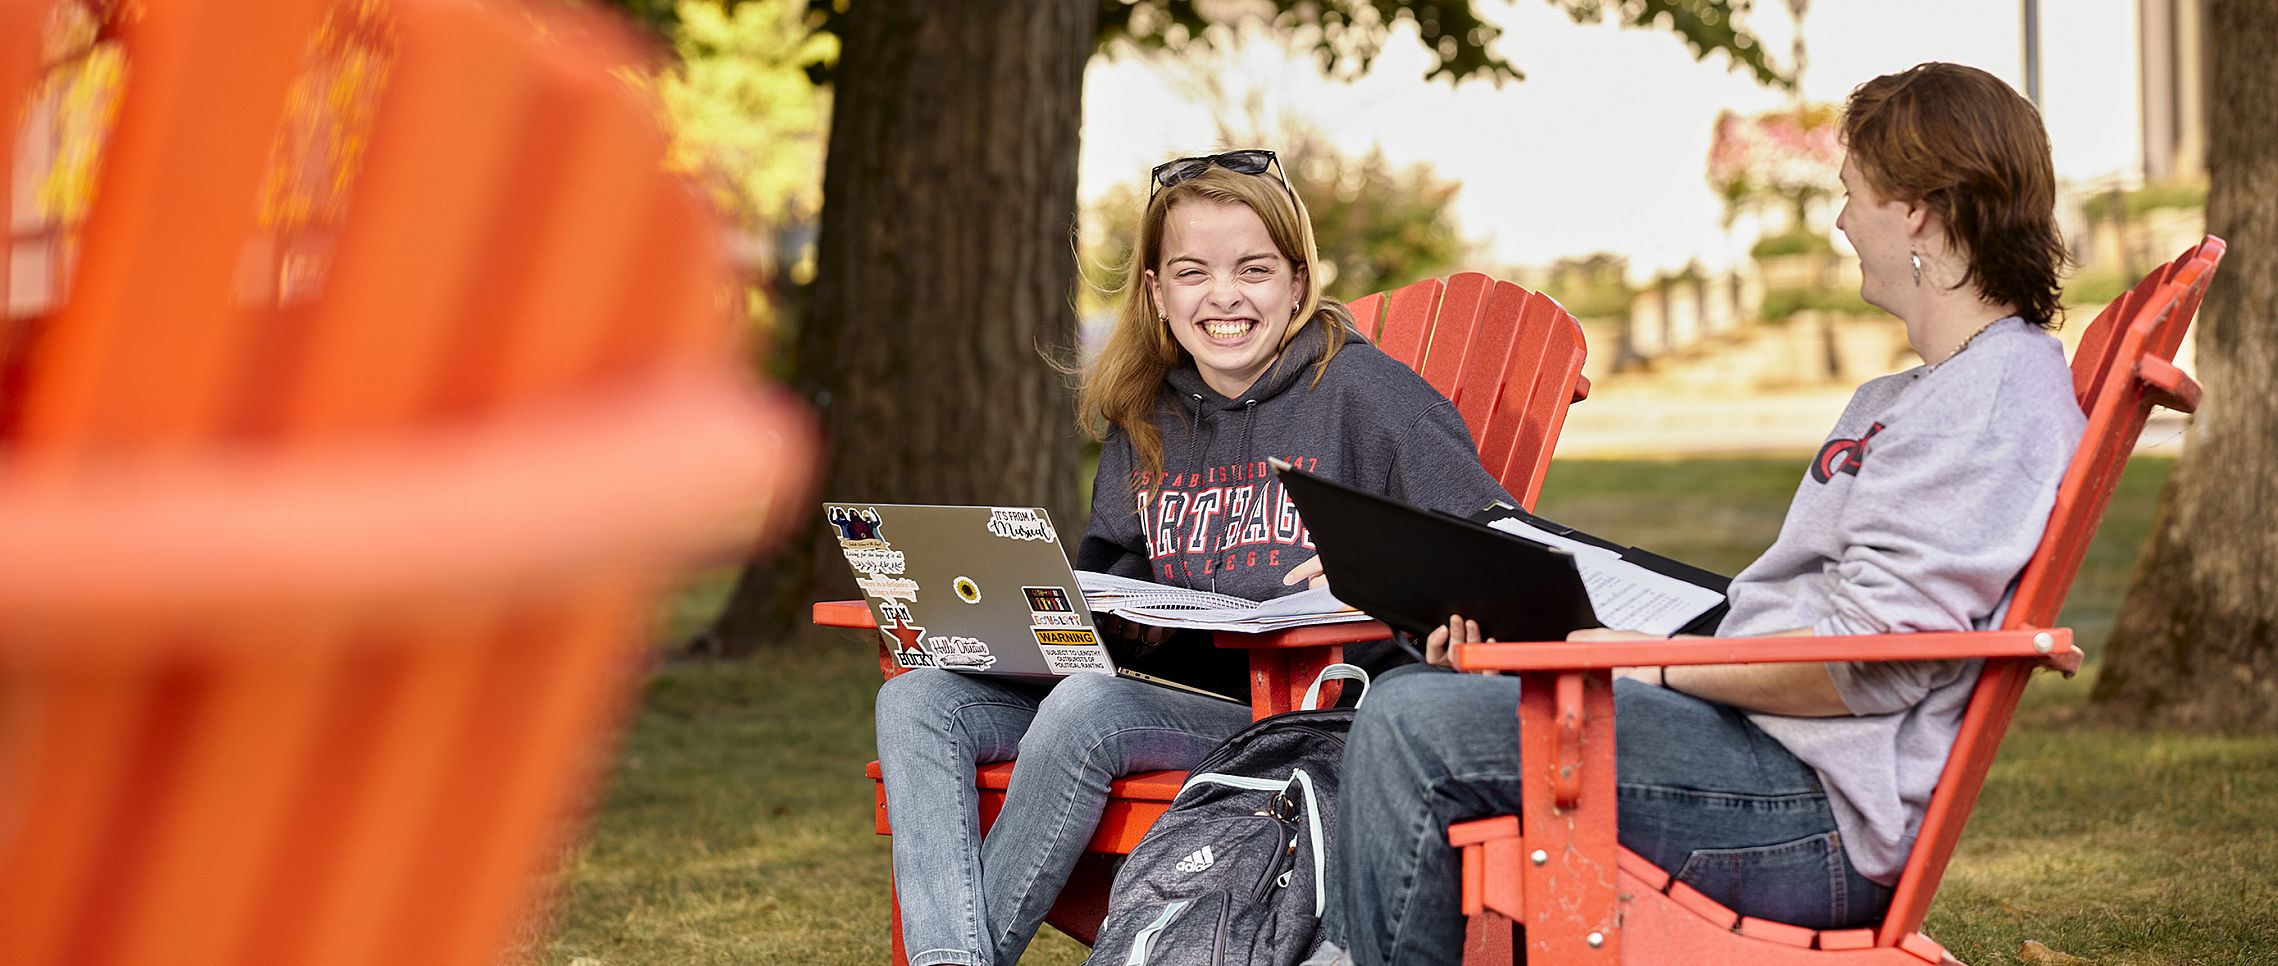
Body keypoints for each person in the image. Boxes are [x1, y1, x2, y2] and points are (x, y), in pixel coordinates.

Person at [1313, 62, 2086, 965]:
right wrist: (1571, 633)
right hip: (1763, 752)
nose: (1841, 222)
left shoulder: (1991, 402)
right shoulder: (1924, 391)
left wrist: (1656, 672)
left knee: (1416, 727)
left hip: (1816, 810)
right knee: (1429, 688)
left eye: (1853, 194)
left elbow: (1863, 661)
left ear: (1916, 207)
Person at [872, 149, 1514, 966]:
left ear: (1296, 278)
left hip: (1316, 719)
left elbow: (1499, 550)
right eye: (1191, 272)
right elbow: (1115, 567)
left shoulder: (1366, 396)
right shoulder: (1148, 414)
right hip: (1183, 704)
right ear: (1155, 291)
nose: (1223, 296)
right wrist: (1102, 613)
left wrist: (1388, 570)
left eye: (1253, 269)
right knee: (919, 700)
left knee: (1085, 712)